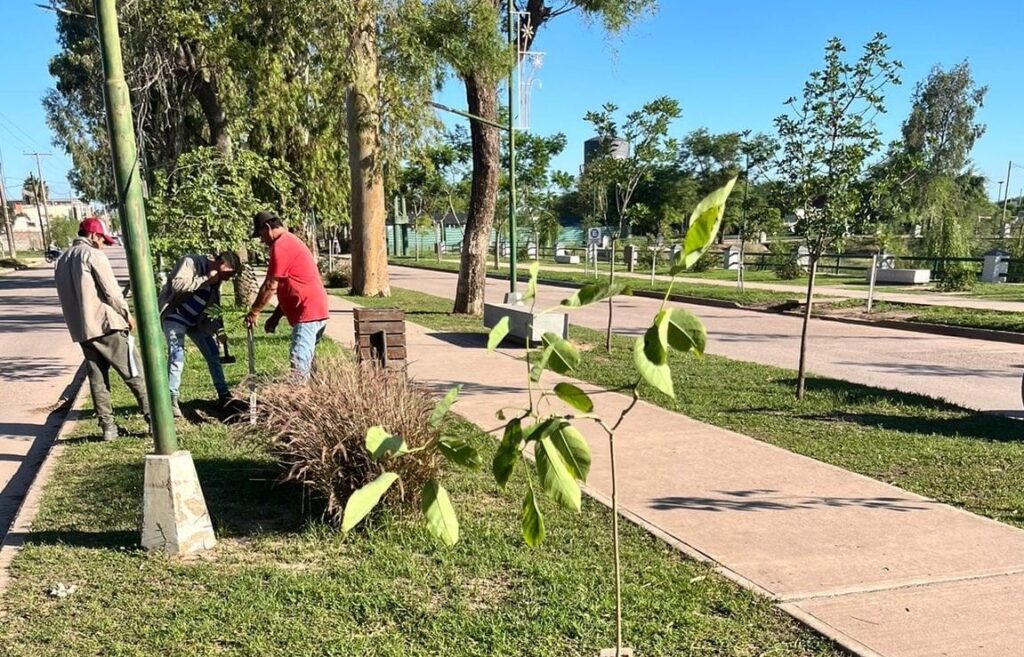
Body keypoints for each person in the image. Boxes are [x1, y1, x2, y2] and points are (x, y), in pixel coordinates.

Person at [54, 217, 149, 441]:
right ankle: (154, 420)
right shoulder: (93, 255)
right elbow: (111, 292)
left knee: (97, 380)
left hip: (83, 330)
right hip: (107, 326)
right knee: (135, 374)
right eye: (103, 240)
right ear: (94, 236)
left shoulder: (62, 259)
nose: (104, 244)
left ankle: (108, 428)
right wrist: (126, 313)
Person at [244, 211, 329, 378]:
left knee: (298, 363)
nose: (261, 240)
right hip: (313, 310)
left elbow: (270, 285)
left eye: (260, 234)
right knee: (306, 362)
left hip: (307, 311)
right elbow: (288, 286)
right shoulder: (289, 241)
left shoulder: (281, 245)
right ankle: (312, 397)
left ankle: (300, 400)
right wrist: (275, 317)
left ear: (267, 228)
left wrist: (254, 311)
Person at [158, 250, 240, 417]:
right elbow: (177, 285)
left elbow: (213, 306)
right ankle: (171, 398)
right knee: (177, 355)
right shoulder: (190, 262)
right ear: (220, 263)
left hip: (197, 322)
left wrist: (220, 330)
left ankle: (224, 395)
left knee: (213, 355)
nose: (228, 278)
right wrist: (205, 279)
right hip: (175, 316)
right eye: (227, 273)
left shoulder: (217, 280)